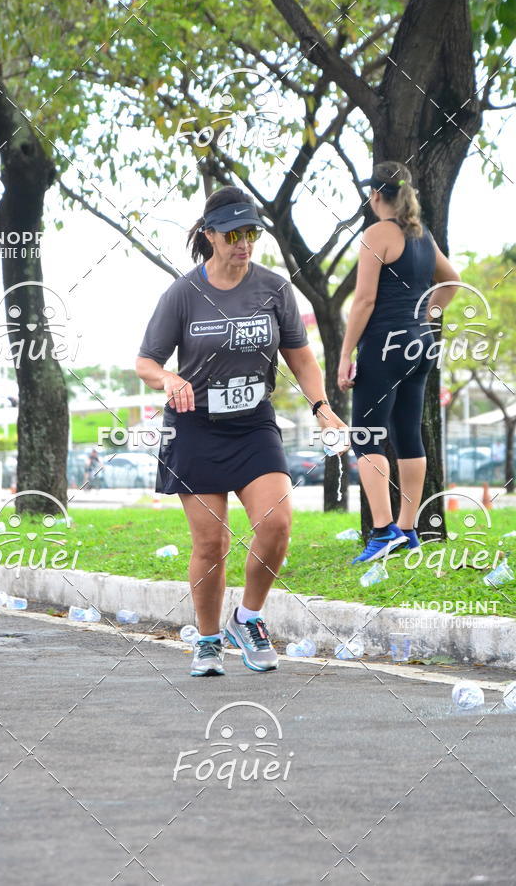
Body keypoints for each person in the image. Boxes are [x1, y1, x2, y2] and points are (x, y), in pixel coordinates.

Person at [136, 186, 349, 677]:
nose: (243, 242)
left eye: (251, 232)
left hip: (253, 424)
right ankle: (208, 640)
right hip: (195, 427)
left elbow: (299, 354)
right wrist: (168, 378)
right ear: (209, 235)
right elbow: (145, 360)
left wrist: (320, 403)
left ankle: (247, 618)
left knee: (276, 525)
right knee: (211, 543)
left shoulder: (274, 288)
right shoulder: (183, 293)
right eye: (233, 233)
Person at [337, 160, 461, 564]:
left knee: (366, 435)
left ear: (375, 197)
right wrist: (427, 317)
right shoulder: (421, 235)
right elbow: (453, 281)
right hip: (420, 345)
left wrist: (344, 354)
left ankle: (382, 530)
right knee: (408, 434)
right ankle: (409, 530)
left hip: (383, 346)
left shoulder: (377, 234)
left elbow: (365, 300)